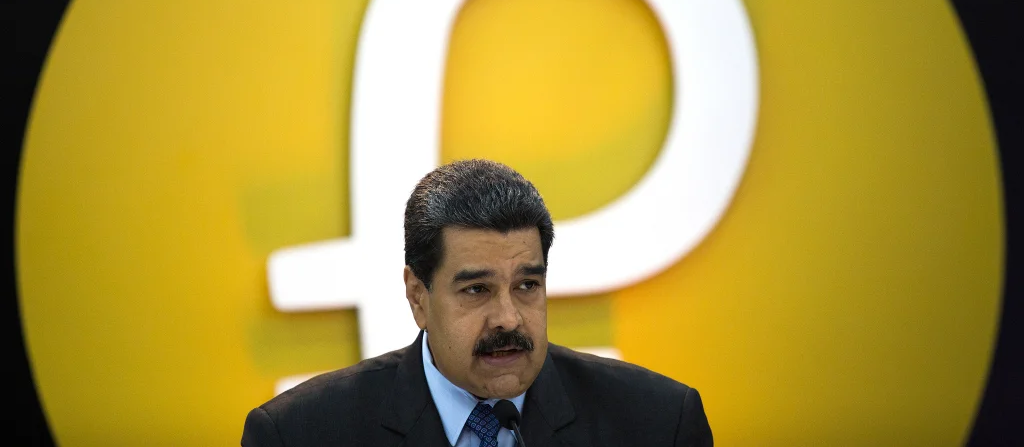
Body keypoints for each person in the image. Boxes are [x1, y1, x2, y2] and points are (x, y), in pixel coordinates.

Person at [241, 158, 712, 446]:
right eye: (476, 290)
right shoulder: (299, 434)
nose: (508, 318)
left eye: (527, 285)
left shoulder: (657, 423)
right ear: (417, 297)